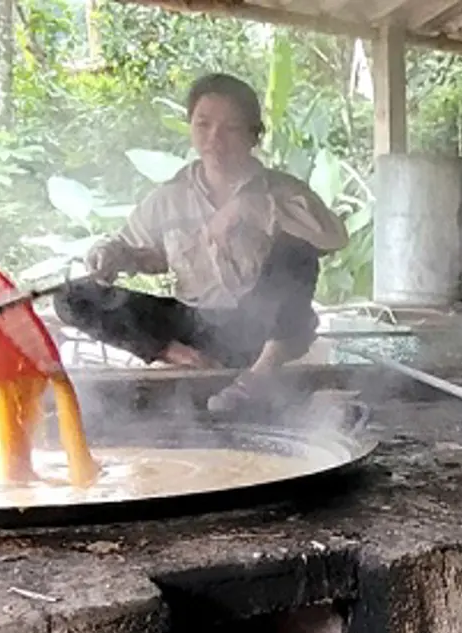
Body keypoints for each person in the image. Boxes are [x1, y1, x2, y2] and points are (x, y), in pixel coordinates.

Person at [55, 73, 348, 414]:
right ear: (190, 127)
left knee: (297, 248)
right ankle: (185, 358)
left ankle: (258, 378)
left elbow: (334, 237)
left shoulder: (283, 191)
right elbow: (141, 254)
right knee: (71, 296)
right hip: (195, 326)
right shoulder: (169, 198)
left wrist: (253, 208)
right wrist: (113, 255)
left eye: (231, 128)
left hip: (264, 329)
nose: (215, 139)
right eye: (203, 124)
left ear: (254, 134)